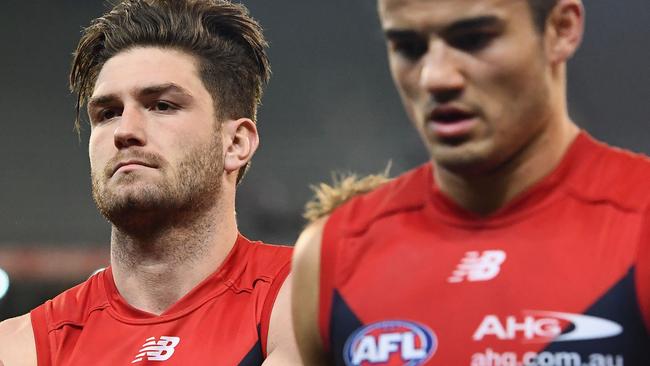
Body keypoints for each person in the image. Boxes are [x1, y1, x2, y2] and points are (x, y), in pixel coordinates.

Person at [292, 0, 650, 365]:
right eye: (409, 48)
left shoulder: (639, 221)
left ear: (561, 29)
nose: (435, 77)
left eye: (474, 39)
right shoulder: (330, 254)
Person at [0, 0, 301, 365]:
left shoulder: (300, 299)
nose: (125, 131)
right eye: (108, 113)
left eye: (161, 105)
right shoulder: (20, 346)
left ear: (235, 144)